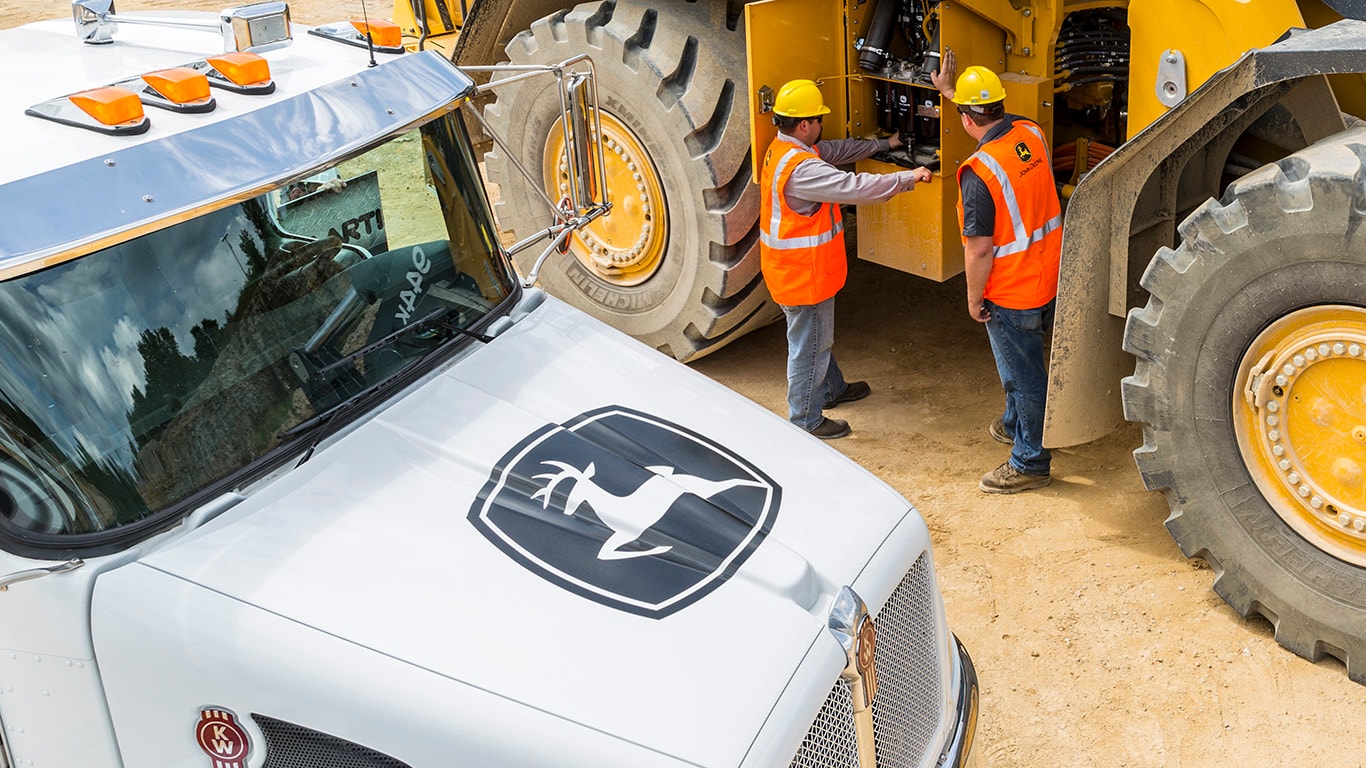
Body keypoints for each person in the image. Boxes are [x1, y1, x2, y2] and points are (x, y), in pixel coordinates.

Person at [760, 78, 933, 439]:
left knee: (816, 336)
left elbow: (836, 150)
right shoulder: (803, 170)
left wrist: (886, 144)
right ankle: (805, 419)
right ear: (804, 125)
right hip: (803, 276)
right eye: (819, 120)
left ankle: (831, 389)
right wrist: (908, 178)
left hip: (794, 270)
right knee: (810, 344)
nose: (823, 126)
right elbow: (856, 188)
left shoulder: (786, 150)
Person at [943, 64, 1063, 493]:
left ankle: (1030, 461)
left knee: (1024, 375)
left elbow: (978, 249)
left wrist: (974, 299)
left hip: (1012, 290)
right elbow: (997, 121)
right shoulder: (1030, 133)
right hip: (1048, 274)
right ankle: (1016, 425)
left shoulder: (979, 173)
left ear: (967, 120)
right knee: (1025, 367)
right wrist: (951, 91)